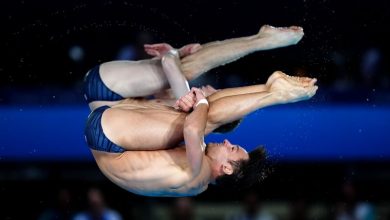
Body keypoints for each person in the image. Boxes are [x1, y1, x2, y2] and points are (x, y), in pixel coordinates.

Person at [84, 25, 318, 196]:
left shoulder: (199, 175)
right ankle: (267, 77)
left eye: (233, 148)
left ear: (226, 169)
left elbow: (195, 127)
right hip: (106, 103)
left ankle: (273, 91)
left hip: (108, 134)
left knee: (202, 115)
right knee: (193, 90)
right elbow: (171, 86)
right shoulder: (188, 152)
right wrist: (176, 60)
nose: (228, 142)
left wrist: (177, 65)